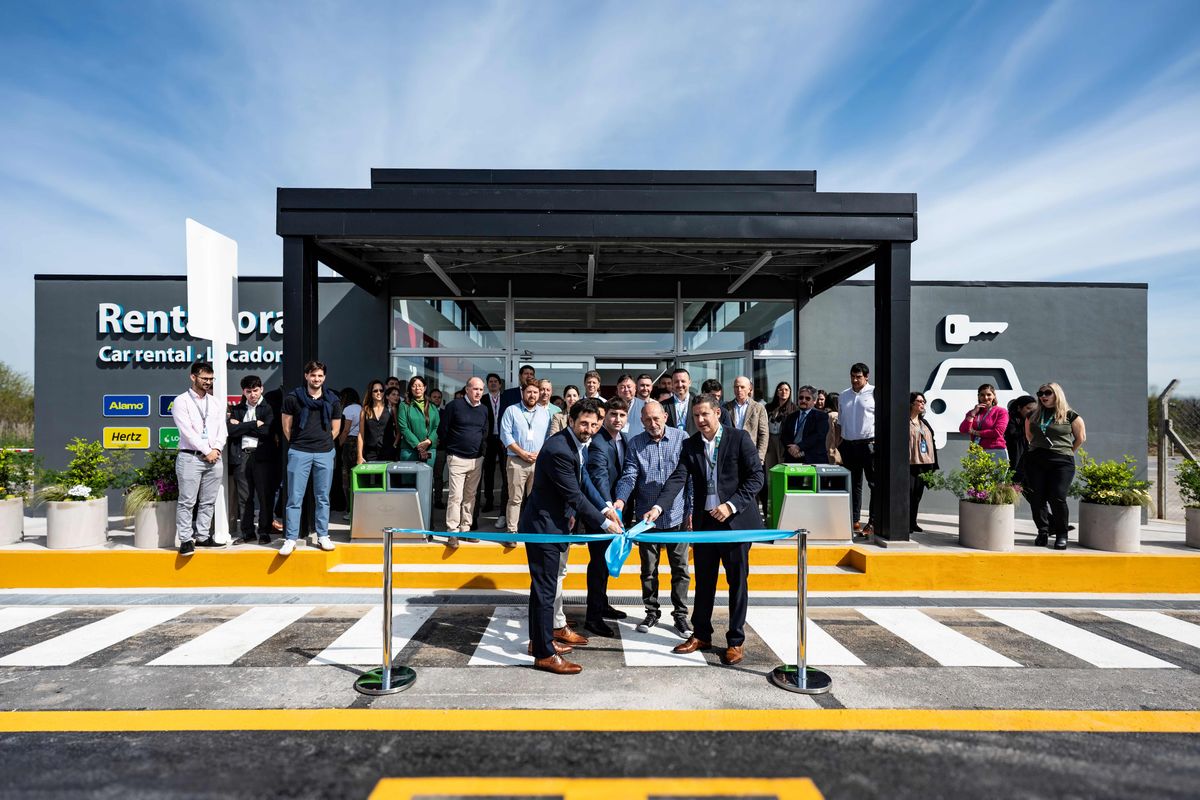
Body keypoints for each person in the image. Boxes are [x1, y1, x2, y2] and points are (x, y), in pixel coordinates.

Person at [647, 394, 764, 666]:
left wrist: (731, 505)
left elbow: (756, 477)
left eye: (704, 415)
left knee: (737, 583)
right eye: (696, 416)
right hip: (705, 525)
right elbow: (678, 478)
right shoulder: (690, 445)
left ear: (717, 414)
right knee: (705, 582)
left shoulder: (738, 438)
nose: (700, 420)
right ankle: (701, 634)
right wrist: (659, 508)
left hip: (735, 524)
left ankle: (735, 641)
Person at [520, 398, 623, 675]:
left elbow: (584, 480)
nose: (588, 429)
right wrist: (604, 524)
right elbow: (574, 495)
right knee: (544, 590)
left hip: (555, 525)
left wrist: (605, 507)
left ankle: (539, 641)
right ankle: (544, 654)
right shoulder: (558, 450)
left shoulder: (579, 445)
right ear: (571, 421)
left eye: (593, 424)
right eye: (583, 423)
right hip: (544, 528)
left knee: (543, 588)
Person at [614, 400, 693, 637]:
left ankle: (680, 615)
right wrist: (620, 500)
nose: (653, 423)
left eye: (656, 418)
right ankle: (651, 611)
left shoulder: (682, 438)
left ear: (665, 417)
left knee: (680, 568)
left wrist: (691, 510)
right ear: (641, 421)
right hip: (646, 519)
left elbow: (689, 479)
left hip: (677, 516)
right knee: (649, 569)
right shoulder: (636, 443)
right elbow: (629, 475)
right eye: (647, 420)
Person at [281, 361, 342, 556]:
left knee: (322, 497)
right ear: (306, 376)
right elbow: (286, 427)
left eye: (320, 376)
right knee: (294, 497)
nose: (317, 379)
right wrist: (300, 444)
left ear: (324, 377)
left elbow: (336, 429)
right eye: (313, 375)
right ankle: (290, 538)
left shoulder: (332, 400)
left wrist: (322, 443)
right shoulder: (293, 398)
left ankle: (323, 535)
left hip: (324, 452)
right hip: (299, 452)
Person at [583, 398, 632, 636]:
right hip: (601, 513)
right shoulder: (598, 442)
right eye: (613, 415)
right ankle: (592, 617)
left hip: (617, 512)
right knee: (598, 564)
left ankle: (602, 604)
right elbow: (598, 476)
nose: (618, 419)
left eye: (622, 415)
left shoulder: (624, 440)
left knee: (605, 563)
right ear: (605, 417)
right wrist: (608, 507)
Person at [172, 361, 228, 556]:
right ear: (193, 377)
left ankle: (203, 536)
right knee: (187, 501)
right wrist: (206, 449)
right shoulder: (182, 401)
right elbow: (187, 432)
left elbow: (222, 429)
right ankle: (186, 539)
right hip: (190, 458)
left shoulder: (215, 402)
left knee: (208, 501)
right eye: (205, 379)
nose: (208, 382)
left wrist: (216, 449)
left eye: (211, 379)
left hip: (214, 458)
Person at [1024, 383, 1086, 550]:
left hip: (1062, 462)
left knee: (1057, 497)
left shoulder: (1070, 416)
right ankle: (1043, 531)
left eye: (1048, 393)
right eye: (1040, 393)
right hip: (1037, 459)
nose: (1043, 396)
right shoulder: (1032, 415)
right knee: (1037, 498)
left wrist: (1066, 451)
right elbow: (1029, 436)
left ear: (1057, 394)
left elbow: (1080, 438)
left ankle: (1061, 534)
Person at [437, 376, 489, 547]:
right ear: (467, 389)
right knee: (455, 496)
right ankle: (452, 532)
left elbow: (484, 431)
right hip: (457, 458)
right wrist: (451, 448)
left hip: (476, 460)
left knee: (470, 497)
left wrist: (482, 452)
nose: (478, 392)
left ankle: (465, 530)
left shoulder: (484, 409)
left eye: (481, 389)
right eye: (475, 389)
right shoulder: (454, 406)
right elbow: (443, 430)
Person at [227, 374, 275, 544]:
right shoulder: (238, 409)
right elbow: (231, 431)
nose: (253, 394)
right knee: (244, 498)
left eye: (255, 390)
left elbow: (267, 432)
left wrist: (240, 426)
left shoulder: (268, 408)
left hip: (262, 456)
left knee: (264, 496)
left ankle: (264, 532)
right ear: (244, 392)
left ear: (261, 389)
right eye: (249, 391)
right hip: (242, 457)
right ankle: (247, 532)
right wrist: (254, 424)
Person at [500, 380, 550, 540]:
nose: (532, 395)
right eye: (529, 392)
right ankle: (512, 532)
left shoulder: (544, 413)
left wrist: (539, 454)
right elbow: (505, 435)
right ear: (523, 392)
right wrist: (522, 453)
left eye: (536, 392)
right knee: (515, 498)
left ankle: (532, 530)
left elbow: (549, 436)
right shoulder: (511, 410)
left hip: (538, 462)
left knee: (536, 498)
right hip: (516, 461)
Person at [839, 363, 876, 535]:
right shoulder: (844, 395)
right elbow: (840, 422)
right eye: (852, 376)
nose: (855, 380)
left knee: (874, 483)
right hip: (849, 445)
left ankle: (873, 521)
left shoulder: (874, 393)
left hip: (869, 444)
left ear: (866, 377)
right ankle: (854, 520)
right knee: (853, 484)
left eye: (858, 377)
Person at [908, 392, 939, 532]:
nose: (922, 404)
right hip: (909, 463)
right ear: (911, 403)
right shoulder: (905, 421)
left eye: (923, 401)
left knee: (917, 495)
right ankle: (904, 523)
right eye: (919, 401)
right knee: (907, 493)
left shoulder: (923, 422)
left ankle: (912, 522)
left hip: (923, 464)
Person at [724, 376, 768, 464]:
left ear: (749, 389)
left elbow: (764, 434)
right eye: (736, 387)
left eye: (742, 387)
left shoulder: (758, 408)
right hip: (731, 452)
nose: (739, 390)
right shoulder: (726, 407)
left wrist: (760, 457)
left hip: (751, 452)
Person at [396, 376, 439, 467]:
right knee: (409, 480)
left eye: (420, 385)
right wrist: (418, 445)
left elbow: (437, 427)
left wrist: (429, 441)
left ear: (425, 387)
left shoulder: (432, 406)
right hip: (409, 450)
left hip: (429, 449)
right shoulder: (404, 406)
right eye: (414, 386)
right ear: (410, 388)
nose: (417, 388)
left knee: (426, 479)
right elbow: (403, 428)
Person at [959, 383, 1009, 460]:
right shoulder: (973, 412)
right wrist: (973, 413)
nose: (985, 397)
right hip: (976, 451)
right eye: (982, 395)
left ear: (994, 396)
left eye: (989, 394)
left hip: (995, 450)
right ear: (978, 396)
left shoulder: (1001, 411)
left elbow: (997, 432)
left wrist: (975, 432)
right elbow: (963, 430)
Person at [782, 385, 829, 465]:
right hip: (792, 458)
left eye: (807, 398)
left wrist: (799, 447)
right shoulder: (791, 417)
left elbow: (818, 436)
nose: (803, 400)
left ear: (814, 401)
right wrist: (791, 449)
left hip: (813, 459)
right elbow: (784, 435)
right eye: (801, 398)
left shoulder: (821, 416)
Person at [336, 387, 362, 521]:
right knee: (357, 477)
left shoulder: (348, 410)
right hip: (360, 442)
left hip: (349, 443)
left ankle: (350, 509)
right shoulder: (361, 408)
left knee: (347, 477)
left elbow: (345, 430)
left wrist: (338, 444)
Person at [481, 373, 506, 514]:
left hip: (503, 440)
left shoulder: (505, 399)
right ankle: (488, 501)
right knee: (488, 472)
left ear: (500, 384)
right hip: (488, 439)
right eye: (490, 381)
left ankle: (504, 501)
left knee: (504, 471)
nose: (493, 383)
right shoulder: (483, 399)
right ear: (487, 384)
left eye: (495, 381)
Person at [357, 380, 397, 463]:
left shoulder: (391, 409)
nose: (379, 393)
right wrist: (359, 455)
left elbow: (398, 430)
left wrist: (394, 444)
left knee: (387, 476)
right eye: (375, 391)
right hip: (370, 453)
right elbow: (361, 434)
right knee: (371, 475)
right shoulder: (365, 411)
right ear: (370, 393)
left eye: (381, 390)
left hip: (388, 451)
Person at [764, 381, 796, 473]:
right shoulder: (769, 407)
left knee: (782, 466)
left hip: (783, 441)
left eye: (786, 390)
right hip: (770, 440)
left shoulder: (793, 408)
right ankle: (771, 487)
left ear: (790, 392)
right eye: (781, 390)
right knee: (770, 467)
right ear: (777, 392)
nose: (783, 392)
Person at [1005, 394, 1038, 483]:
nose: (1032, 412)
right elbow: (1013, 434)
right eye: (1028, 408)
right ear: (1019, 408)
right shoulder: (1011, 419)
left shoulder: (1036, 421)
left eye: (1034, 409)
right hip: (1016, 455)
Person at [665, 367, 698, 435]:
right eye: (676, 381)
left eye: (683, 381)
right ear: (672, 384)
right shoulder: (663, 405)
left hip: (693, 443)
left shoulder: (698, 403)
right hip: (672, 444)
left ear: (689, 383)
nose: (680, 385)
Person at [825, 392, 842, 466]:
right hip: (835, 452)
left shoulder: (823, 415)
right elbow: (839, 436)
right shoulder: (836, 416)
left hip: (824, 452)